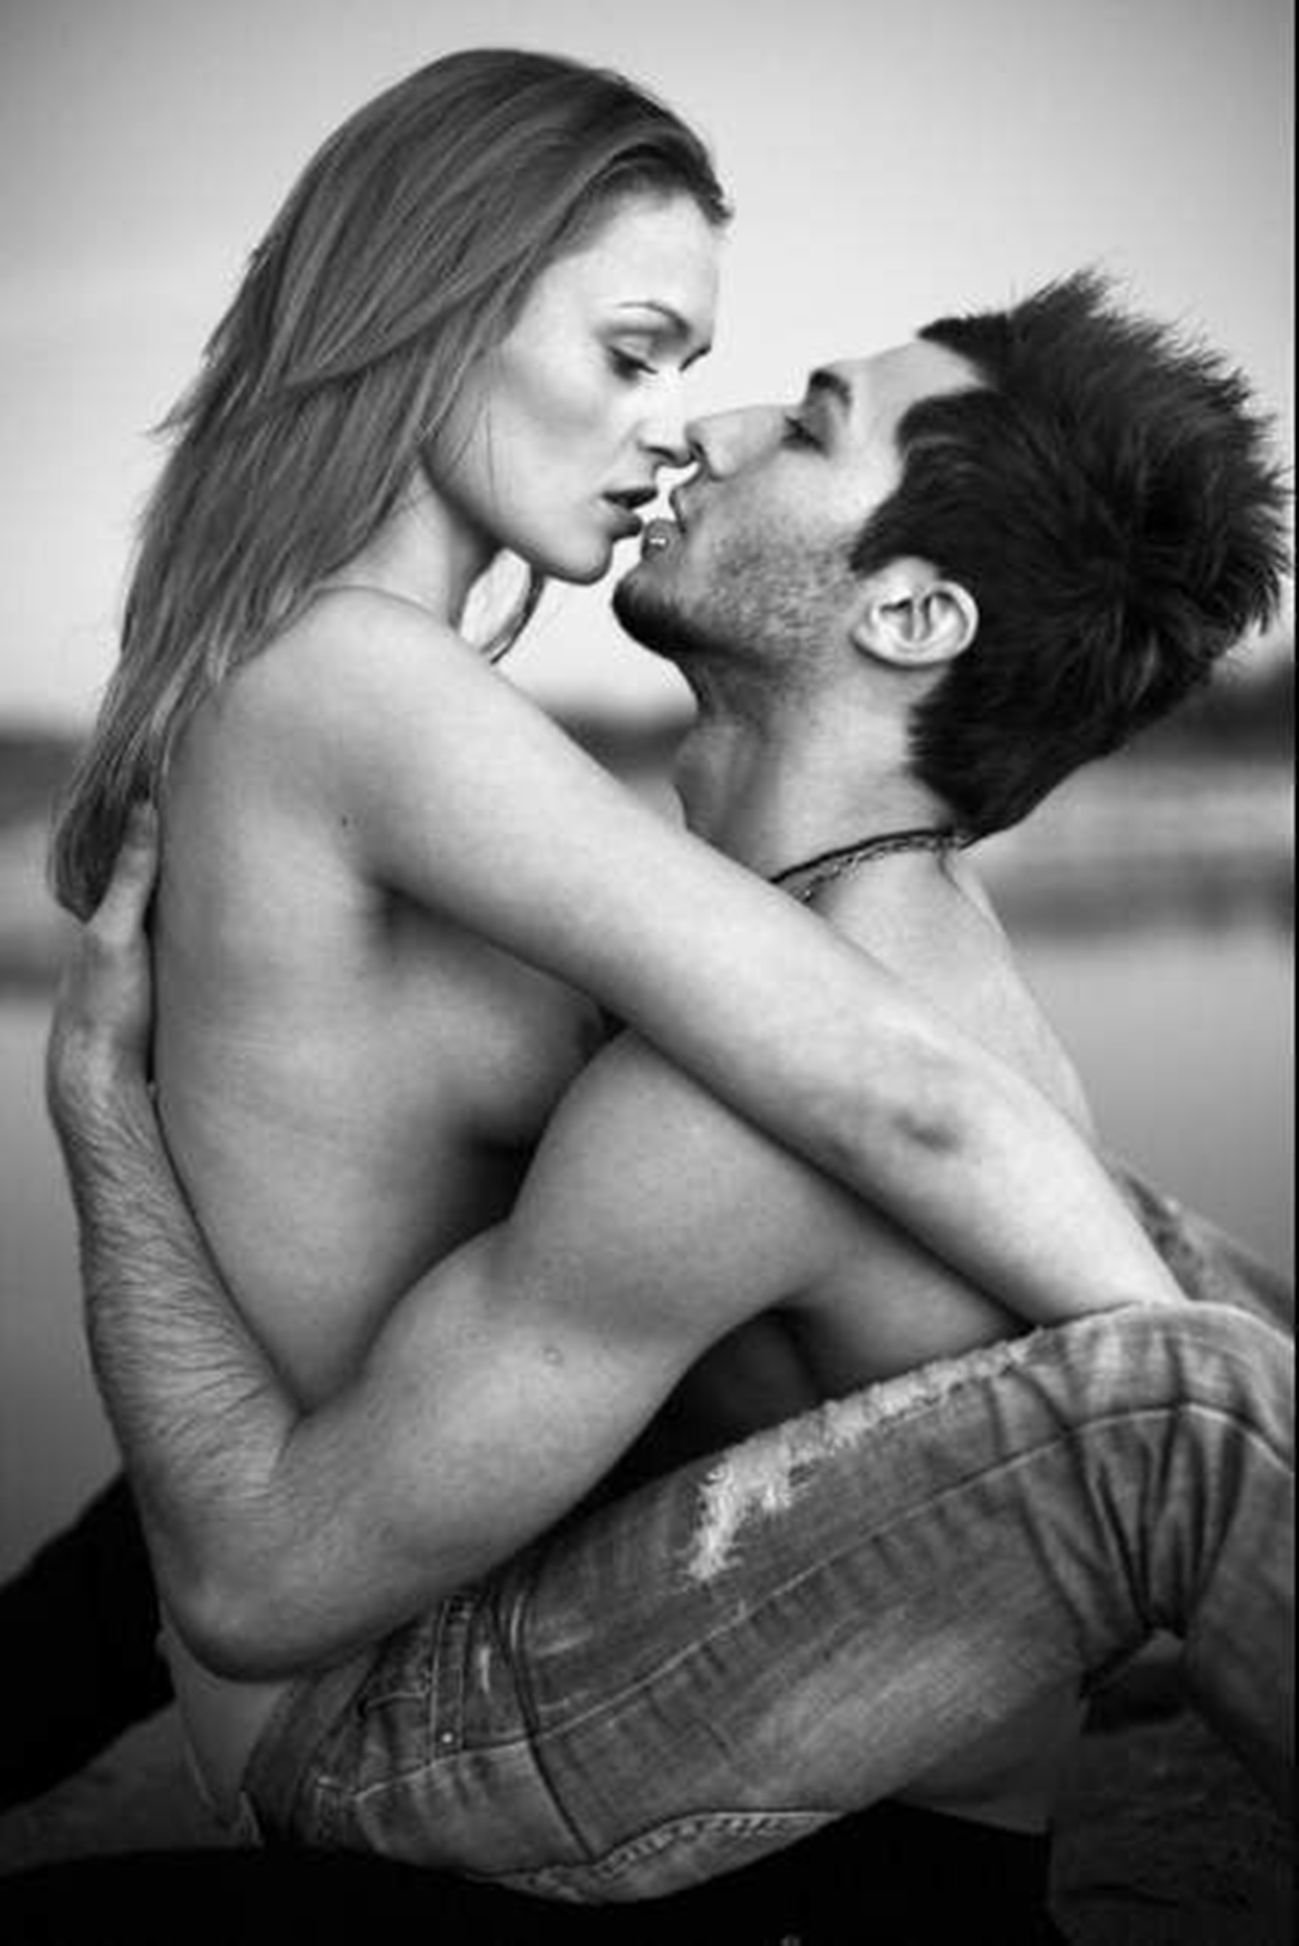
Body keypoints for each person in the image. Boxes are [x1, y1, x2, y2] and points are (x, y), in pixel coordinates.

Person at [30, 42, 1195, 1825]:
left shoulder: (329, 686)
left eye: (700, 374)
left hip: (375, 1561)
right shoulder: (358, 682)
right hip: (354, 1684)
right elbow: (891, 1085)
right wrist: (1181, 1396)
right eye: (634, 353)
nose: (677, 429)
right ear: (435, 317)